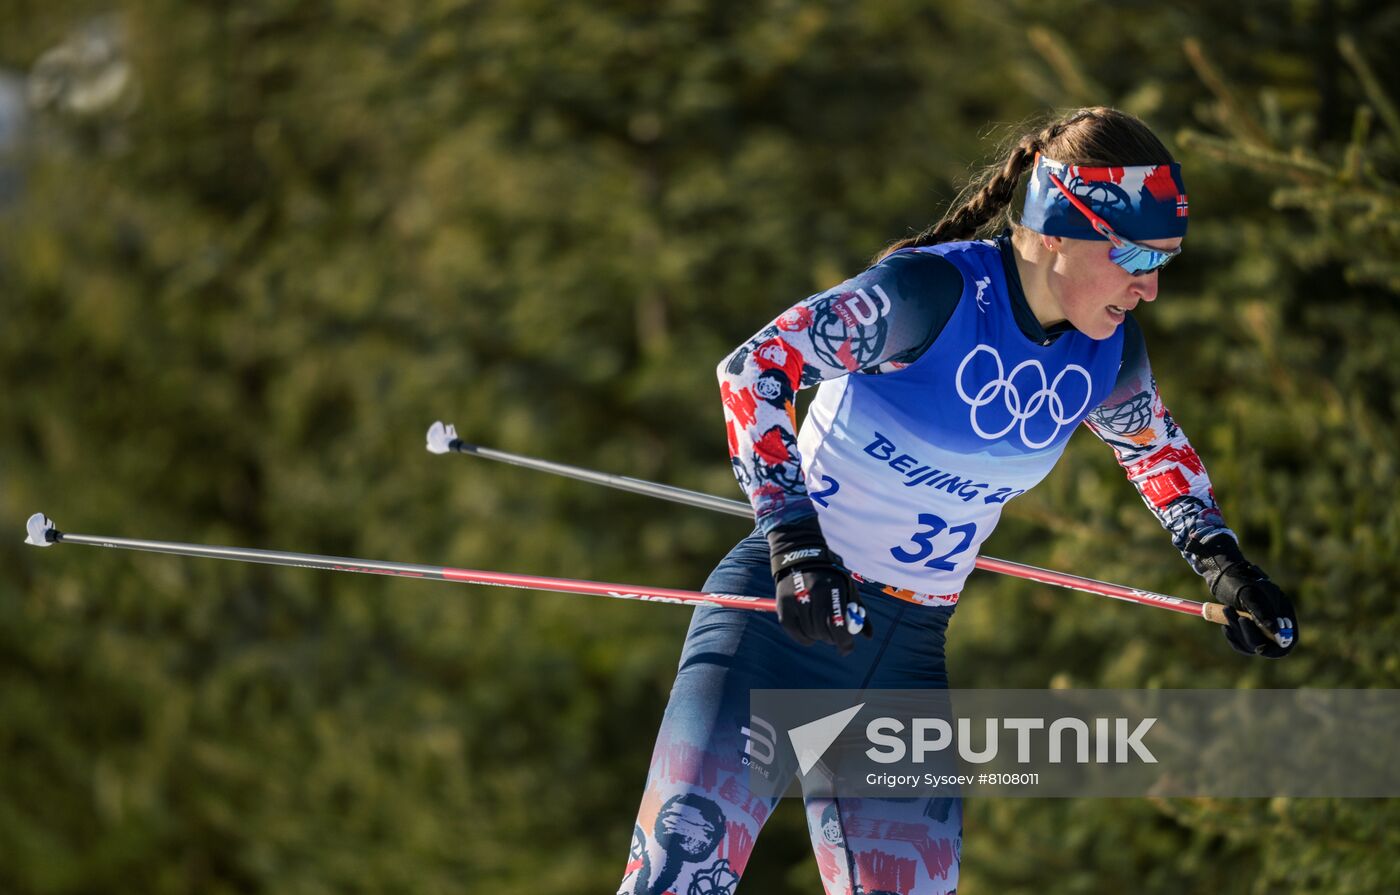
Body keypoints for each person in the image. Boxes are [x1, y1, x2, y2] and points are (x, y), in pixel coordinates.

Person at [617, 106, 1297, 895]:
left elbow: (1155, 451)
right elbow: (754, 369)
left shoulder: (1107, 348)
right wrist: (794, 542)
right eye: (1136, 254)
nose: (1149, 286)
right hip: (780, 626)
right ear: (1054, 229)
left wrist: (1224, 564)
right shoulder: (929, 294)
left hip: (906, 655)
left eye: (1164, 260)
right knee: (678, 879)